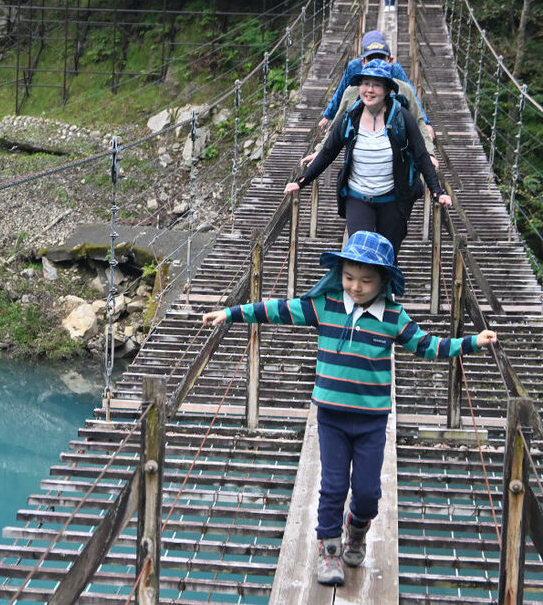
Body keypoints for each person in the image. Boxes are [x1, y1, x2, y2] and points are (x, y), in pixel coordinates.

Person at [201, 231, 497, 586]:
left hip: (372, 421)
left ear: (384, 281)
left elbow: (428, 346)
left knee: (369, 492)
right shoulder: (324, 306)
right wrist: (230, 313)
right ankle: (329, 551)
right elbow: (277, 310)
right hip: (331, 417)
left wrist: (472, 342)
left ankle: (357, 530)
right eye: (349, 278)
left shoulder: (392, 316)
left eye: (366, 280)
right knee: (333, 485)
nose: (356, 287)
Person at [285, 59, 451, 258]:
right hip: (358, 197)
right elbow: (329, 152)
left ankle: (387, 289)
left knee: (387, 259)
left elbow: (421, 155)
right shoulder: (350, 117)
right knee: (361, 256)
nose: (369, 90)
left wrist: (437, 192)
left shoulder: (402, 118)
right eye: (365, 83)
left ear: (388, 89)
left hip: (393, 198)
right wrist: (300, 183)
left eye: (376, 85)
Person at [318, 31, 432, 143]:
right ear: (363, 60)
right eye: (371, 58)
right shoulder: (354, 66)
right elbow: (341, 91)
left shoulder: (394, 68)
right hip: (361, 110)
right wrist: (328, 115)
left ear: (389, 60)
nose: (375, 63)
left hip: (387, 112)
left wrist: (425, 123)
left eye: (380, 58)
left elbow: (410, 93)